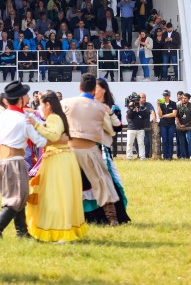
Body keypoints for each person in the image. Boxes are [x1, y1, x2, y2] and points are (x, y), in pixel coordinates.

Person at [0, 81, 48, 238]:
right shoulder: (24, 119)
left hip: (5, 159)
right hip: (15, 160)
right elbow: (40, 141)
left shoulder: (4, 115)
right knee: (17, 197)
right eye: (26, 94)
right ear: (21, 98)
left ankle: (22, 232)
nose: (28, 96)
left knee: (18, 195)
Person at [25, 91, 87, 242]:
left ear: (48, 104)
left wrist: (36, 124)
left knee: (57, 195)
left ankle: (60, 231)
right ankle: (65, 229)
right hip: (60, 157)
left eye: (42, 104)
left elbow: (52, 135)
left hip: (58, 159)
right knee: (61, 194)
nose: (41, 108)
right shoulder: (58, 117)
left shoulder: (53, 117)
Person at [62, 73, 121, 226]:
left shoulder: (67, 102)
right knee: (103, 183)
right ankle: (112, 218)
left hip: (70, 150)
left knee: (67, 184)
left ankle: (66, 219)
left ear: (79, 87)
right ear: (94, 90)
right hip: (91, 150)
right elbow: (112, 130)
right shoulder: (100, 108)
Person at [86, 78, 131, 225]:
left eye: (96, 87)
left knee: (108, 180)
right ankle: (93, 217)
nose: (93, 90)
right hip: (87, 148)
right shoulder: (87, 105)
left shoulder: (112, 107)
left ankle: (114, 216)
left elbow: (116, 128)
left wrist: (109, 114)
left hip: (103, 148)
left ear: (104, 89)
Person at [125, 94, 151, 160]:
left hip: (140, 129)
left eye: (138, 100)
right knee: (129, 143)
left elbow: (146, 115)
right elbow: (129, 116)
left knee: (141, 144)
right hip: (131, 128)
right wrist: (132, 109)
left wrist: (138, 111)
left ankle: (142, 157)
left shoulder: (142, 108)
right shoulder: (130, 108)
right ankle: (129, 157)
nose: (137, 102)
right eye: (136, 100)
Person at [157, 90, 178, 160]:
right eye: (164, 95)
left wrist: (164, 116)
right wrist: (158, 105)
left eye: (166, 95)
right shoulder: (161, 104)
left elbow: (174, 114)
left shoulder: (173, 103)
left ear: (169, 96)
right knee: (164, 140)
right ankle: (165, 155)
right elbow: (159, 114)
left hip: (171, 124)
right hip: (163, 124)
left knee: (170, 140)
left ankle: (170, 156)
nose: (164, 97)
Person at [176, 93, 191, 161]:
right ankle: (183, 156)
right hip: (180, 126)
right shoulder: (178, 104)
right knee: (181, 141)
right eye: (182, 98)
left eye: (185, 98)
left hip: (188, 126)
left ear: (188, 99)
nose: (183, 99)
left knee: (189, 140)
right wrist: (179, 124)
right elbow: (176, 116)